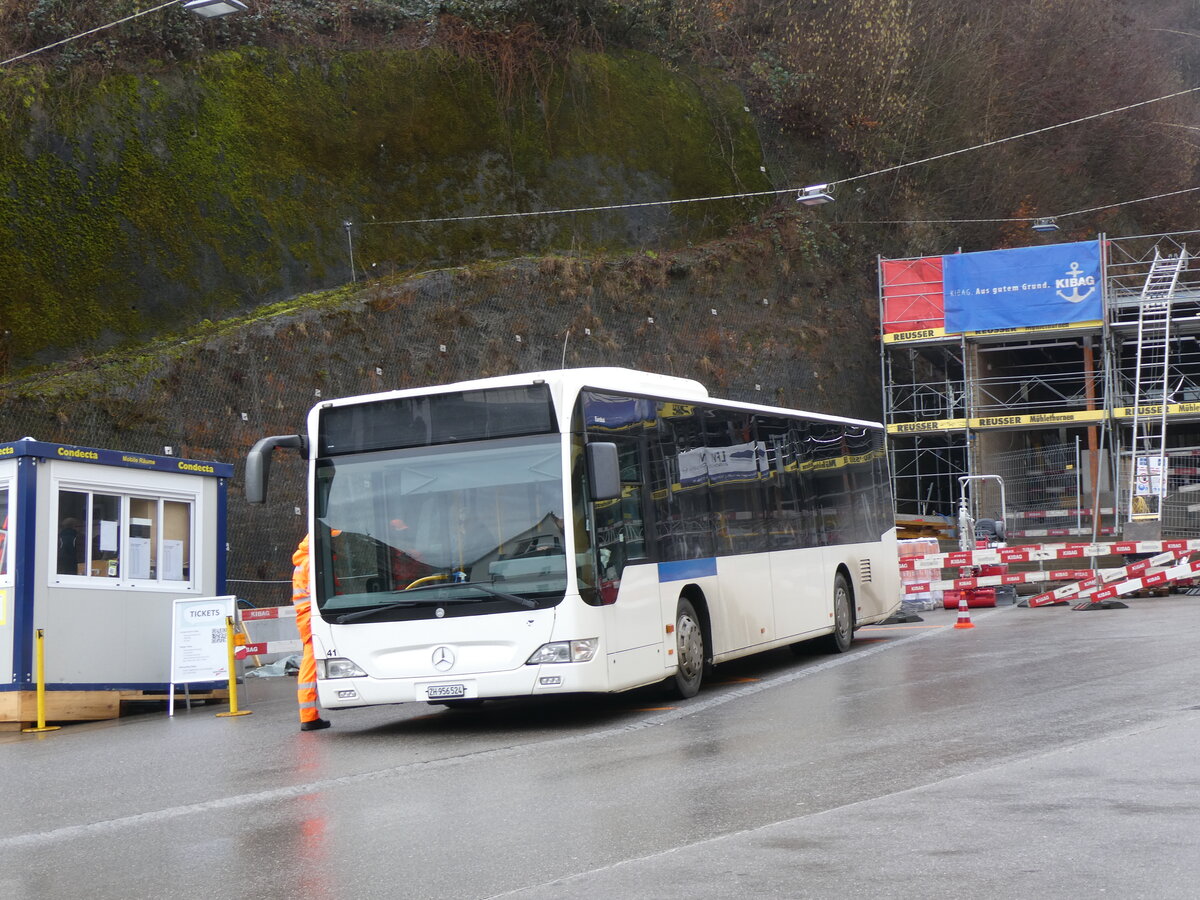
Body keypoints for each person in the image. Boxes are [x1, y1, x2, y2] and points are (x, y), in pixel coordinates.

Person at [292, 534, 330, 732]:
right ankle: (308, 716)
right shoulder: (311, 563)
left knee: (310, 665)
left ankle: (308, 715)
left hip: (307, 619)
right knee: (310, 667)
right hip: (312, 620)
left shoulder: (304, 560)